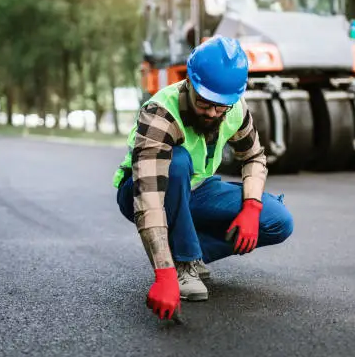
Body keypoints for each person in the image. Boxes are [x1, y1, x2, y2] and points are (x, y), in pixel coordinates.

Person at [113, 36, 294, 321]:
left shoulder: (234, 108)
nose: (211, 113)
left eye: (220, 106)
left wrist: (251, 207)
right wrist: (164, 274)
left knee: (277, 221)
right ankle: (181, 265)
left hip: (198, 190)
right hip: (144, 191)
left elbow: (254, 157)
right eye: (204, 103)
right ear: (189, 83)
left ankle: (189, 253)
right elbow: (148, 197)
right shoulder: (160, 113)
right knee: (177, 161)